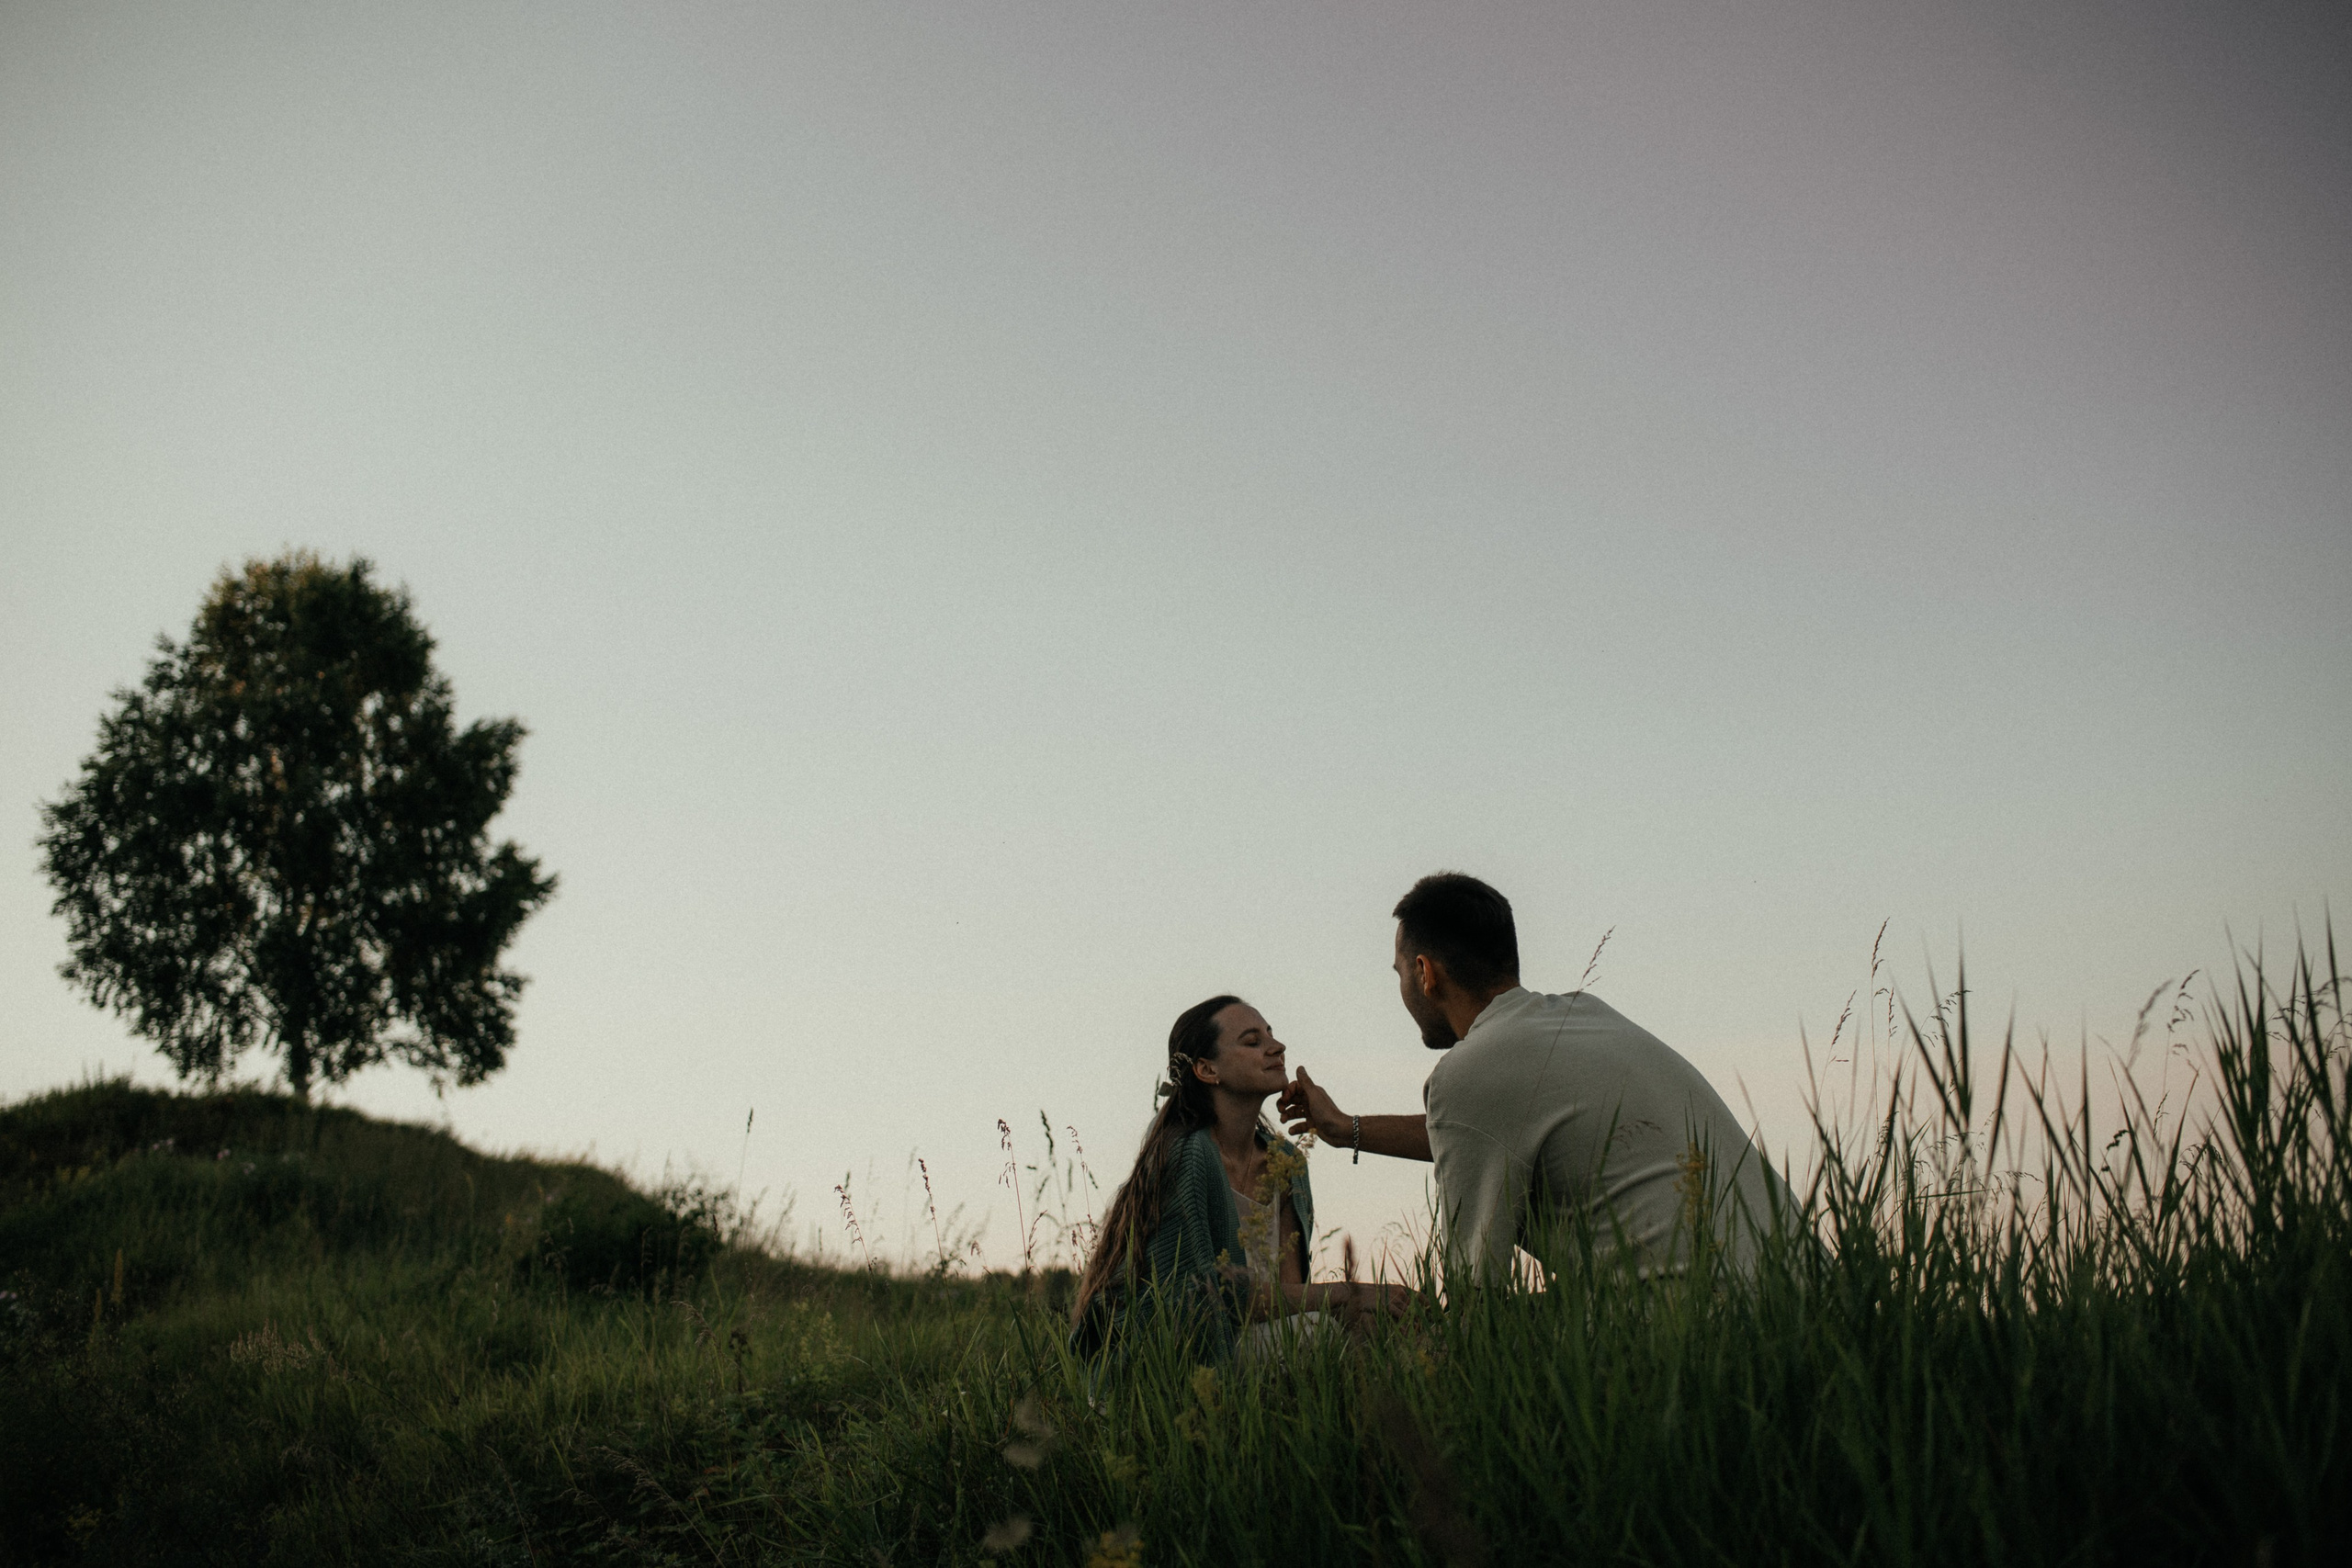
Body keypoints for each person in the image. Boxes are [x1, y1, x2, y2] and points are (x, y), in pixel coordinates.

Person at [1280, 872, 1793, 1288]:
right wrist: (1345, 1126)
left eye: (1398, 973)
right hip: (1805, 1295)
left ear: (1424, 972)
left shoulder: (1469, 1073)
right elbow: (1481, 1129)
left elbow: (1474, 1295)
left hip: (1695, 1322)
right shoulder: (1584, 1017)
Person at [1070, 994, 1413, 1363]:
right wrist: (1350, 1292)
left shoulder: (1285, 1162)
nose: (1276, 1047)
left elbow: (1289, 1293)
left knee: (1379, 1323)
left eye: (1270, 1035)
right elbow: (1205, 1299)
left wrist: (1361, 1305)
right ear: (1206, 1070)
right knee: (1336, 1328)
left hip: (1256, 1340)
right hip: (1181, 1355)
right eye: (1253, 1042)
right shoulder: (1186, 1154)